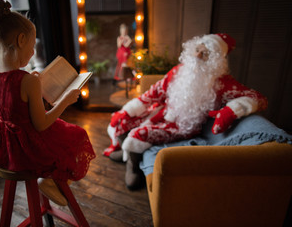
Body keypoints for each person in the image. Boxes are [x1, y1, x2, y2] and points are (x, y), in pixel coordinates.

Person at [104, 33, 268, 190]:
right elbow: (154, 92)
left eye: (205, 53)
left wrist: (231, 111)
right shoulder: (179, 71)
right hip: (163, 113)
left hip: (184, 125)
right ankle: (126, 153)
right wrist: (129, 110)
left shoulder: (222, 83)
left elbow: (258, 98)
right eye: (197, 50)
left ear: (215, 60)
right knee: (121, 120)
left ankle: (133, 167)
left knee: (138, 134)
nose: (197, 55)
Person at [0, 0, 95, 187]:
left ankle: (50, 177)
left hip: (7, 148)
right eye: (32, 45)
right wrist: (65, 101)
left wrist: (31, 81)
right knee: (77, 134)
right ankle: (51, 179)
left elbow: (13, 105)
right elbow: (41, 125)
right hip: (30, 149)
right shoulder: (28, 81)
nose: (33, 52)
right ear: (21, 40)